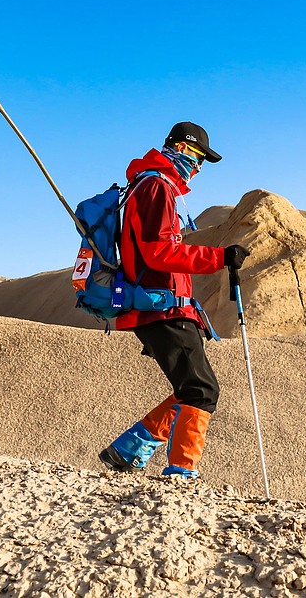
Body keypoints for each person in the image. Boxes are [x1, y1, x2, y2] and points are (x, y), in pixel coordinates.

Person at [98, 121, 250, 479]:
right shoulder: (155, 188)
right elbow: (158, 253)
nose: (197, 169)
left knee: (192, 388)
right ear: (181, 148)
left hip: (166, 306)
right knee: (202, 389)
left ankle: (126, 451)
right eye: (197, 158)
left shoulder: (152, 185)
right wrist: (219, 258)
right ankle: (180, 474)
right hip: (161, 307)